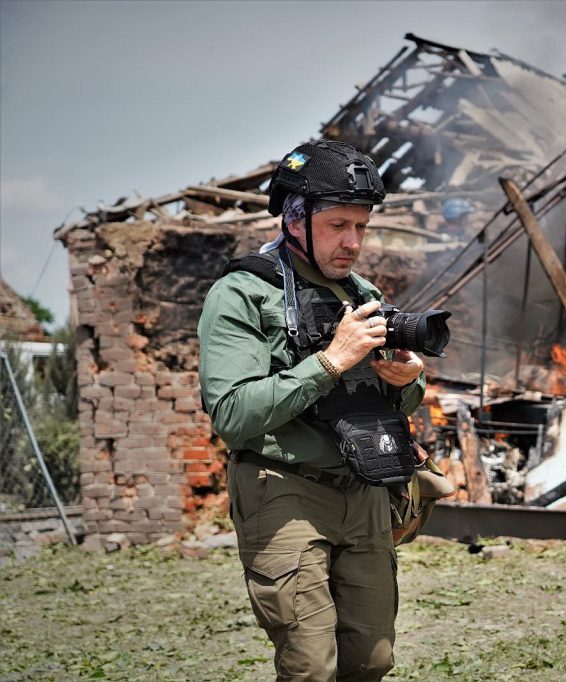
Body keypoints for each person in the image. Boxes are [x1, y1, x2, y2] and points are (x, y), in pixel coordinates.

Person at [198, 140, 426, 681]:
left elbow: (387, 402)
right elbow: (231, 414)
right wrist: (330, 362)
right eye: (338, 225)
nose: (353, 242)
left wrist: (407, 382)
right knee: (310, 669)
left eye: (362, 227)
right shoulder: (241, 293)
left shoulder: (361, 291)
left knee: (373, 660)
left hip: (362, 486)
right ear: (295, 218)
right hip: (283, 488)